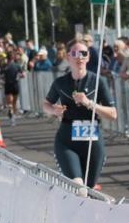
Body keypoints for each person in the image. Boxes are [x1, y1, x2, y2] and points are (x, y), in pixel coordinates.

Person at [42, 39, 118, 189]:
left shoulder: (98, 81)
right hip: (66, 141)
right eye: (75, 54)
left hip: (92, 142)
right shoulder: (60, 82)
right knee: (78, 187)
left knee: (89, 189)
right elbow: (46, 104)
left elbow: (113, 114)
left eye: (83, 53)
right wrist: (53, 110)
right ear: (68, 57)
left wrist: (89, 103)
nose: (79, 57)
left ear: (88, 57)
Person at [1, 50, 23, 123]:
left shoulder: (4, 66)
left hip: (7, 85)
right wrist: (19, 76)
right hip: (15, 84)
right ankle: (13, 115)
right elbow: (23, 75)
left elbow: (0, 75)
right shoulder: (17, 65)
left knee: (9, 102)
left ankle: (10, 111)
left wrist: (2, 79)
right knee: (14, 102)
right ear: (13, 58)